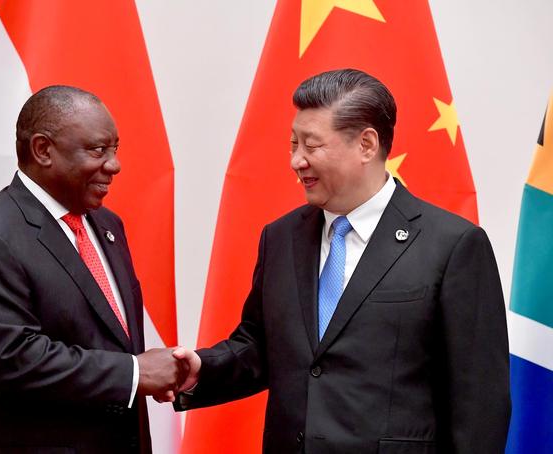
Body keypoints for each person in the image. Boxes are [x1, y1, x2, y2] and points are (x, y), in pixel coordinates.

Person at [174, 69, 511, 453]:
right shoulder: (280, 238)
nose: (296, 161)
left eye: (311, 145)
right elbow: (260, 346)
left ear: (366, 144)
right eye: (293, 144)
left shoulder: (452, 246)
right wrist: (202, 369)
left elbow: (480, 402)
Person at [0, 85, 185, 453]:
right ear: (43, 150)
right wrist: (135, 373)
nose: (114, 165)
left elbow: (111, 338)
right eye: (98, 150)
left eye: (115, 149)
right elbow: (13, 361)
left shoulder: (107, 225)